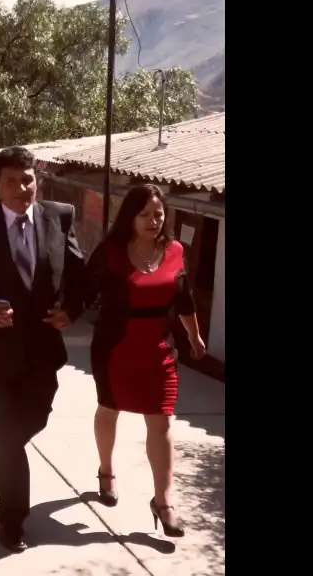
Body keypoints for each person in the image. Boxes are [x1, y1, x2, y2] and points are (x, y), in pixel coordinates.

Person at [0, 146, 86, 553]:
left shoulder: (59, 216)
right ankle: (12, 518)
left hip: (44, 350)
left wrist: (72, 311)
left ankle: (0, 457)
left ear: (35, 180)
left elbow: (80, 272)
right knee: (8, 437)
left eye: (28, 180)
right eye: (12, 181)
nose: (22, 188)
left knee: (30, 422)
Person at [85, 184, 206, 538]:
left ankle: (164, 502)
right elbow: (85, 290)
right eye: (145, 215)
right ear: (130, 217)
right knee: (109, 408)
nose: (154, 221)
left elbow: (184, 298)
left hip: (159, 351)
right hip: (114, 348)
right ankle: (106, 472)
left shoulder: (174, 251)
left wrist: (195, 336)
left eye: (159, 213)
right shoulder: (111, 252)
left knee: (162, 422)